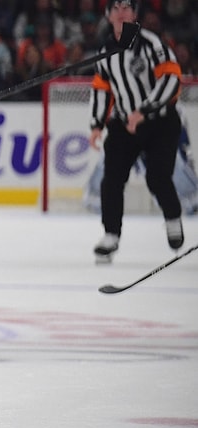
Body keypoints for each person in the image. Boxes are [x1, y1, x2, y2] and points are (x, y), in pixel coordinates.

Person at [89, 0, 185, 263]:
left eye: (127, 7)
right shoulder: (106, 51)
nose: (121, 12)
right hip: (124, 125)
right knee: (111, 180)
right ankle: (111, 235)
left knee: (157, 176)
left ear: (135, 14)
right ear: (108, 16)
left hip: (160, 122)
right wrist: (96, 125)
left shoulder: (152, 44)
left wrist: (144, 110)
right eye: (115, 8)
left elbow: (172, 78)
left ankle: (173, 217)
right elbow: (102, 89)